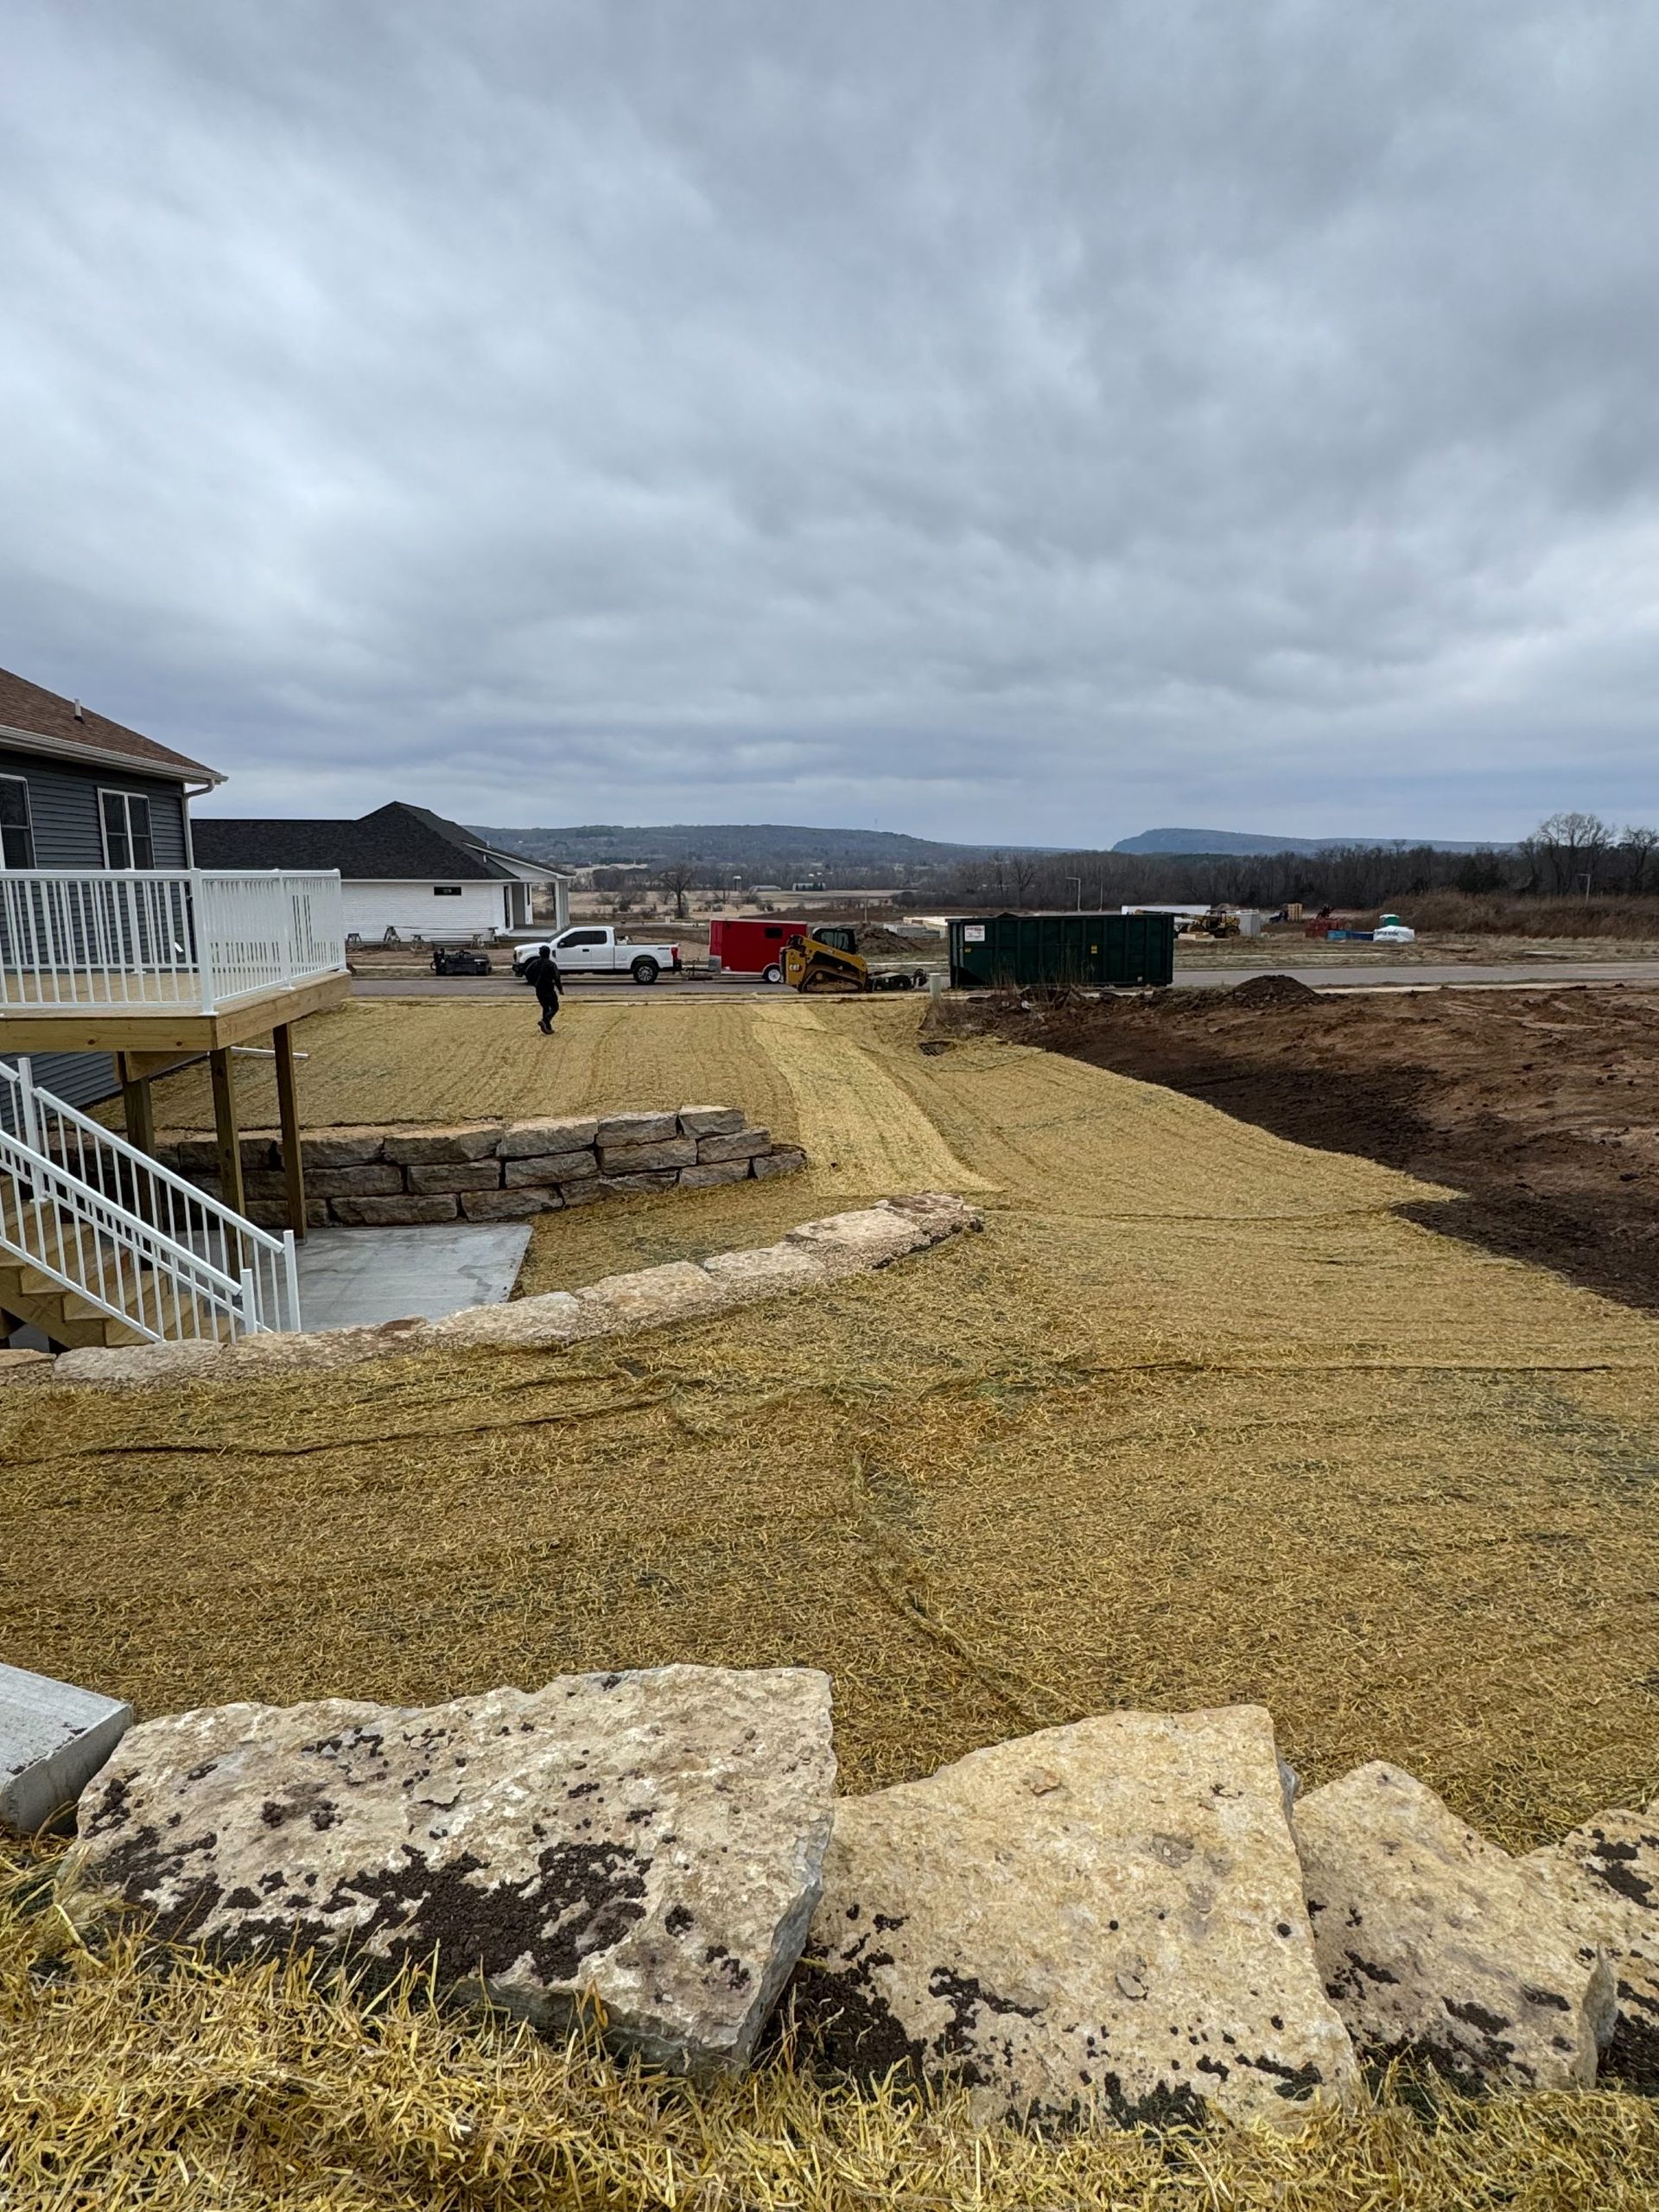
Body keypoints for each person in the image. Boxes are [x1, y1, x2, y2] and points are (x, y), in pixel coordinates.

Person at [523, 943, 562, 1034]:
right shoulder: (551, 964)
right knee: (555, 1007)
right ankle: (545, 1021)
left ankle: (548, 1027)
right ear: (549, 953)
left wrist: (534, 983)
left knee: (545, 1007)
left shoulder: (534, 963)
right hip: (548, 989)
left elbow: (527, 972)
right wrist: (560, 988)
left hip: (539, 989)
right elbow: (556, 977)